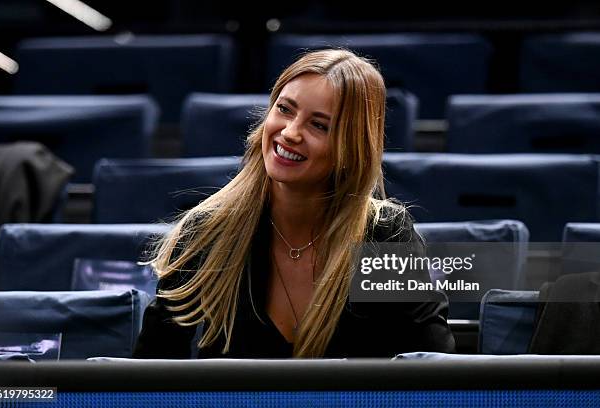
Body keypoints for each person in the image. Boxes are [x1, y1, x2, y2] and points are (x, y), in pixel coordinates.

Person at [133, 49, 455, 359]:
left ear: (352, 148)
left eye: (319, 125)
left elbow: (431, 368)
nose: (290, 133)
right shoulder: (208, 231)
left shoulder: (384, 236)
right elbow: (151, 372)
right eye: (285, 109)